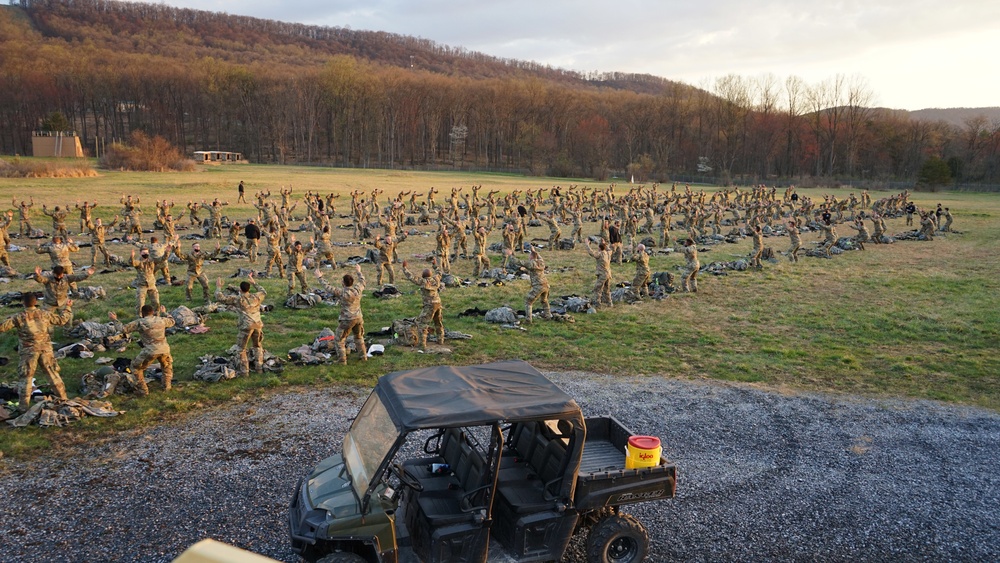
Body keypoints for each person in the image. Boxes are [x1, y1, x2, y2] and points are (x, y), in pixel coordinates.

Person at [0, 293, 73, 409]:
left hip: (28, 351)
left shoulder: (18, 317)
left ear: (23, 302)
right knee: (53, 375)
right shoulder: (45, 313)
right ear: (35, 302)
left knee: (26, 379)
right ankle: (64, 399)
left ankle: (23, 408)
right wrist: (68, 307)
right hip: (45, 349)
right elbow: (62, 320)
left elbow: (2, 327)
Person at [109, 305, 175, 394]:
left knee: (135, 368)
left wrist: (114, 319)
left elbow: (123, 329)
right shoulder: (161, 320)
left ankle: (143, 390)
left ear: (142, 313)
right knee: (166, 367)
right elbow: (172, 321)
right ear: (152, 312)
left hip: (150, 351)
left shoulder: (140, 322)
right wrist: (164, 312)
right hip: (164, 349)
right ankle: (167, 387)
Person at [214, 273, 267, 376]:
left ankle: (244, 371)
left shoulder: (238, 299)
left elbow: (220, 298)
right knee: (257, 346)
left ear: (240, 289)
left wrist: (218, 287)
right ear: (249, 289)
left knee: (241, 349)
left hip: (246, 326)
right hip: (258, 324)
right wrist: (254, 282)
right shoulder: (256, 297)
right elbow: (263, 292)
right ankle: (259, 368)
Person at [316, 264, 367, 364]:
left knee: (339, 340)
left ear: (343, 283)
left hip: (346, 320)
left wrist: (320, 277)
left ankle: (342, 360)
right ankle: (363, 356)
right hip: (358, 317)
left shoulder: (341, 293)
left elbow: (328, 287)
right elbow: (363, 281)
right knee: (359, 337)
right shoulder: (357, 290)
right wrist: (359, 271)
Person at [401, 259, 445, 351]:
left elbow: (411, 277)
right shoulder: (436, 279)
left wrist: (405, 268)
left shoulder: (423, 282)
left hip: (429, 306)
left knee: (422, 324)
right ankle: (440, 340)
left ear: (423, 276)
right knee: (438, 322)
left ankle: (422, 345)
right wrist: (434, 265)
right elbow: (439, 272)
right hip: (438, 303)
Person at [505, 247, 551, 322]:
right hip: (546, 285)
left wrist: (510, 254)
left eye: (529, 255)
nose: (528, 257)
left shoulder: (531, 263)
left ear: (531, 257)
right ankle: (548, 315)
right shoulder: (541, 262)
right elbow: (538, 256)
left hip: (538, 286)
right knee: (544, 300)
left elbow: (517, 262)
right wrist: (534, 251)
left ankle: (528, 320)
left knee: (528, 302)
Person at [130, 247, 165, 313]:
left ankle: (156, 316)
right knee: (140, 304)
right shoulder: (138, 261)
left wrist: (167, 252)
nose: (145, 254)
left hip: (151, 285)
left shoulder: (151, 260)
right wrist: (132, 257)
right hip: (142, 285)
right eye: (143, 253)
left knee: (156, 303)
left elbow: (161, 259)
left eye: (146, 252)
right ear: (140, 253)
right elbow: (132, 263)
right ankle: (140, 318)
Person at [584, 239, 613, 307]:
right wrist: (604, 244)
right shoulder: (608, 253)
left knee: (598, 289)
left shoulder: (600, 254)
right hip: (608, 274)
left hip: (602, 274)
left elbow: (591, 253)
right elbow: (609, 249)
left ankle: (597, 304)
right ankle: (609, 303)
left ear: (599, 248)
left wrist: (587, 244)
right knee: (607, 289)